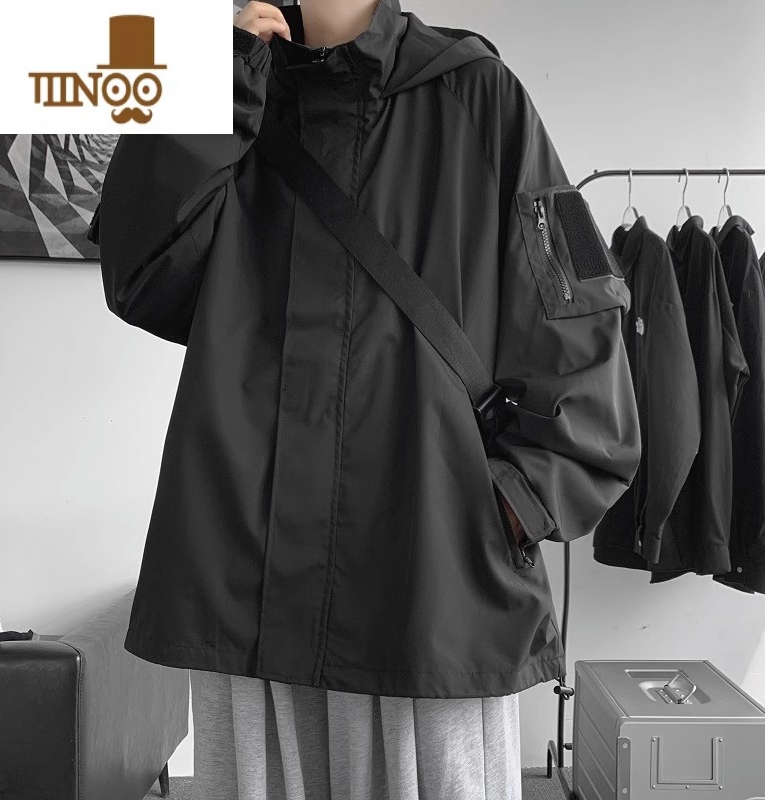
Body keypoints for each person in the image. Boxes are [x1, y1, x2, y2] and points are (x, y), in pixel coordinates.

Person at [90, 0, 641, 797]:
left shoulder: (478, 93)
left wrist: (509, 507)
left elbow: (580, 310)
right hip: (249, 586)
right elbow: (139, 272)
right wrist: (210, 79)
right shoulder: (229, 88)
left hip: (431, 588)